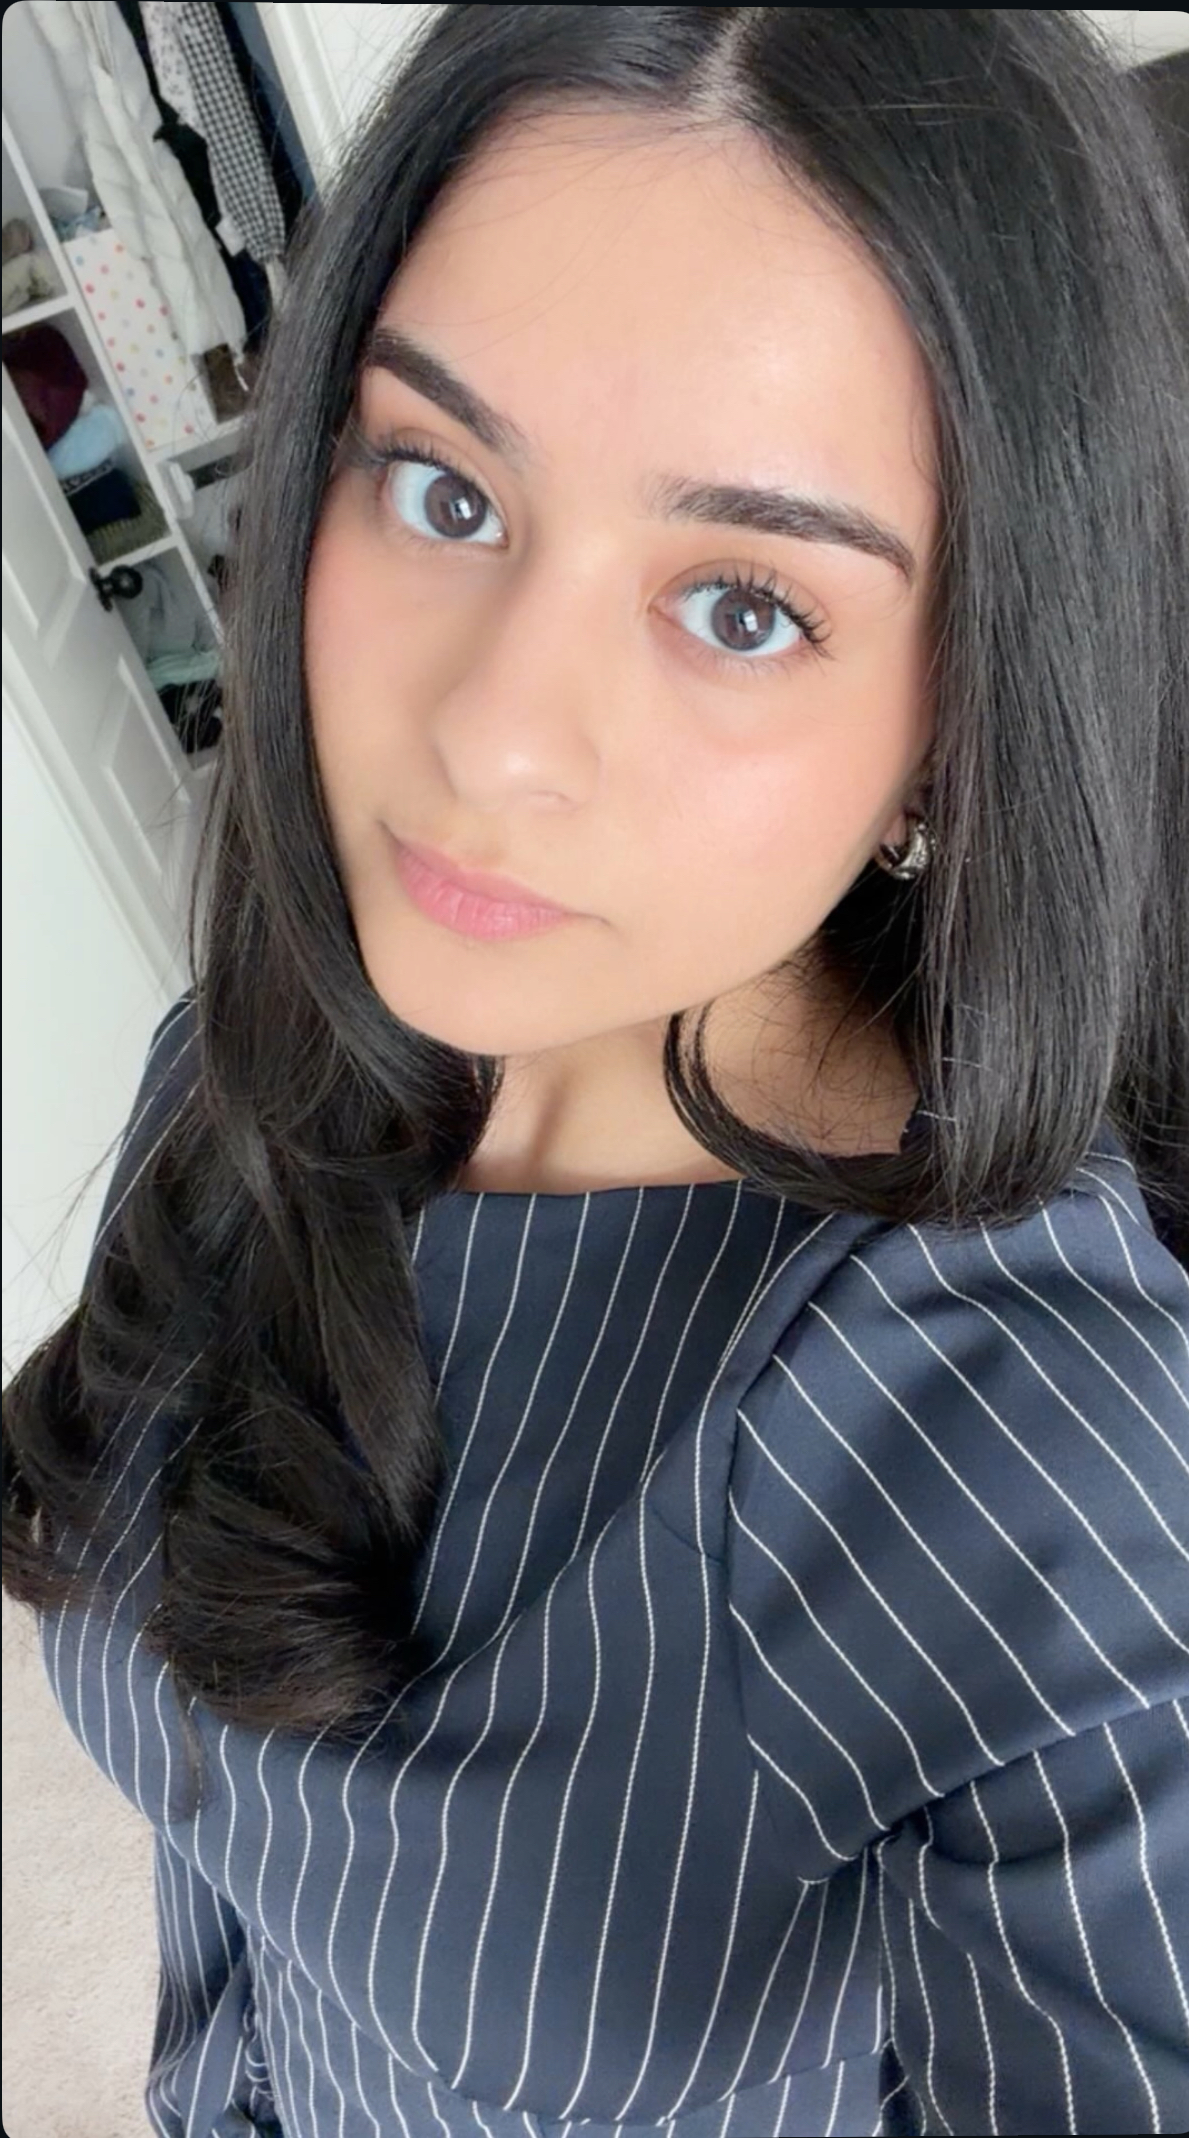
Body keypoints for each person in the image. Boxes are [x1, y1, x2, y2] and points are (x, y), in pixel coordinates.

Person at [4, 9, 1188, 2135]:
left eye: (738, 607)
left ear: (957, 714)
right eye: (442, 488)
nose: (490, 738)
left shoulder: (1037, 1471)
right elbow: (221, 1827)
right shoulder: (260, 1050)